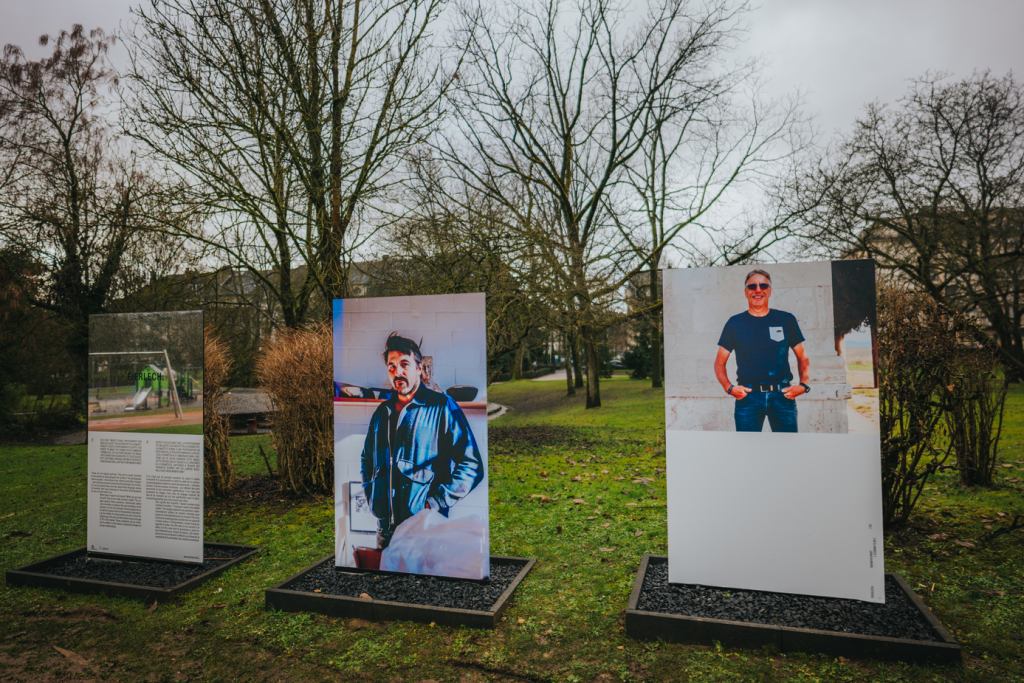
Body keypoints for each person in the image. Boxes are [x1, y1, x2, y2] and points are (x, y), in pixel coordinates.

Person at [360, 333, 483, 549]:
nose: (397, 372)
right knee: (386, 582)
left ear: (419, 368)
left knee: (426, 583)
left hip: (426, 531)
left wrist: (435, 503)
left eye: (404, 364)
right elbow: (366, 459)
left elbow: (471, 465)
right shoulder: (382, 413)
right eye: (391, 366)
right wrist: (372, 495)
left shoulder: (442, 407)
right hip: (384, 533)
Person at [713, 269, 811, 432]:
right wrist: (729, 387)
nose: (758, 290)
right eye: (752, 286)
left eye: (763, 285)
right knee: (748, 451)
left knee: (787, 449)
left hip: (782, 397)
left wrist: (803, 385)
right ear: (746, 292)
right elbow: (719, 363)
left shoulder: (786, 320)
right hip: (748, 398)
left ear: (769, 291)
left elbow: (803, 358)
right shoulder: (735, 323)